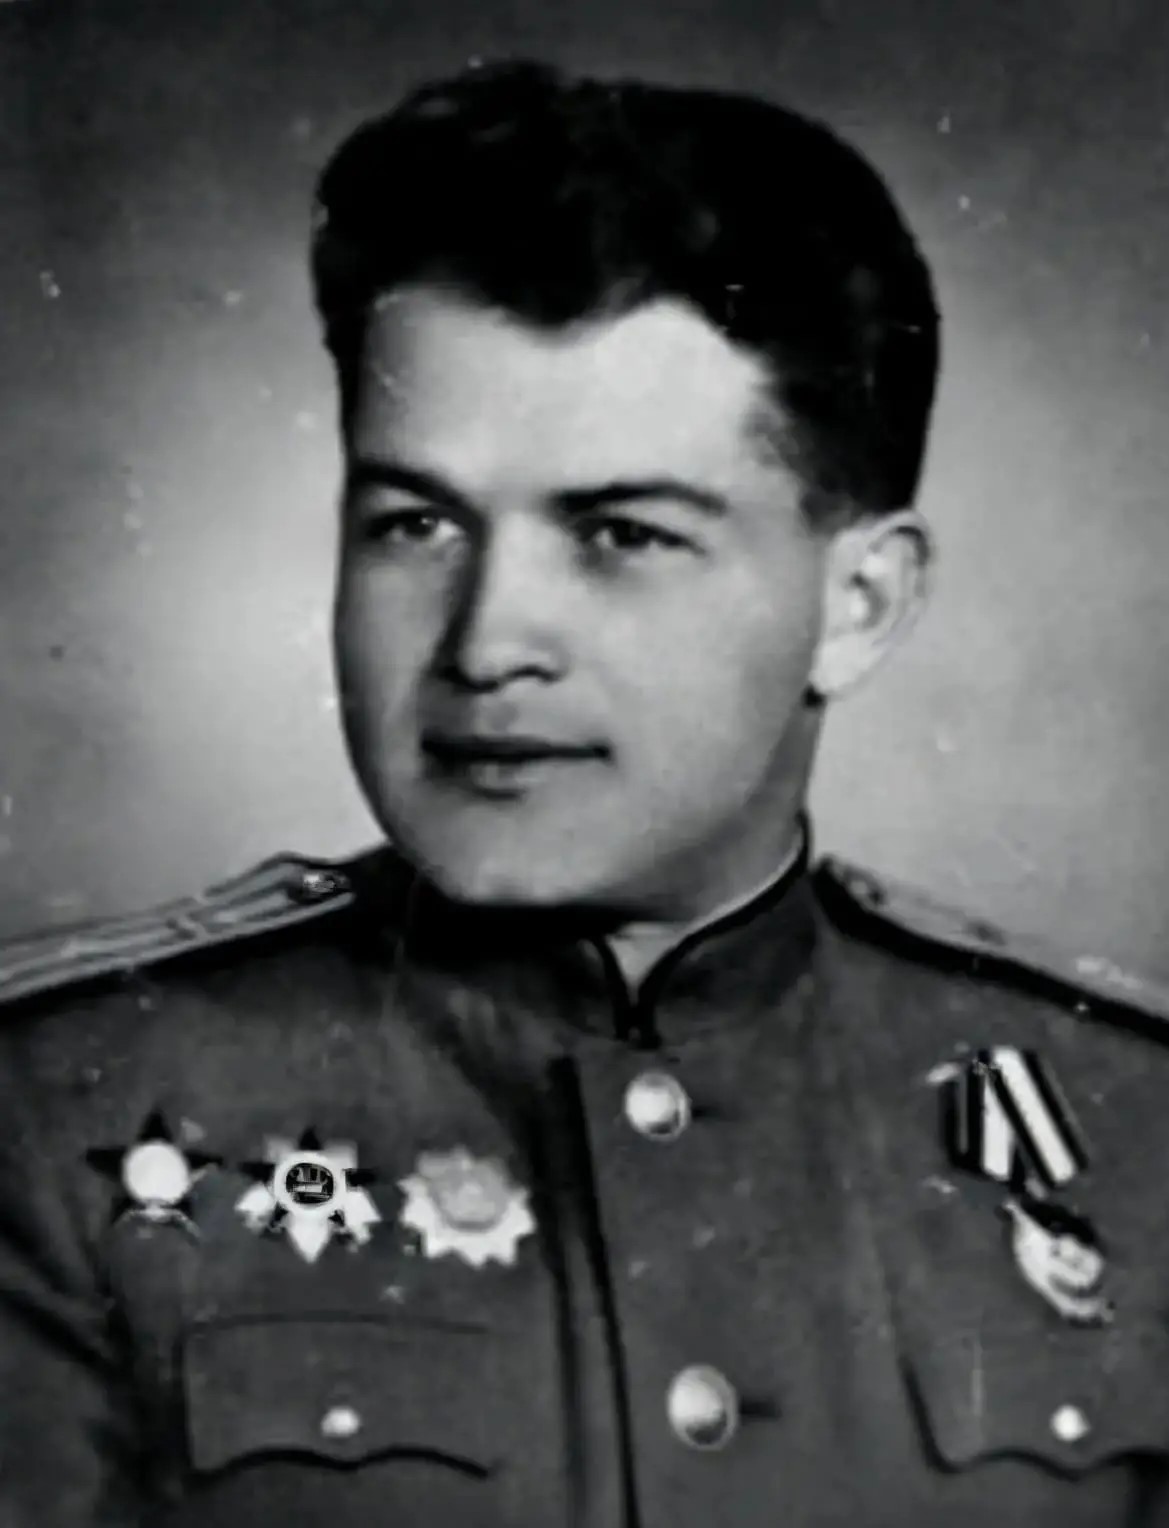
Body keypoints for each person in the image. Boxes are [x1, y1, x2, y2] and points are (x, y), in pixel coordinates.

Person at [2, 57, 1168, 1528]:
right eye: (414, 524)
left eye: (619, 533)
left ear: (859, 604)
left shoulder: (1135, 1125)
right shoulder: (56, 1116)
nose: (486, 643)